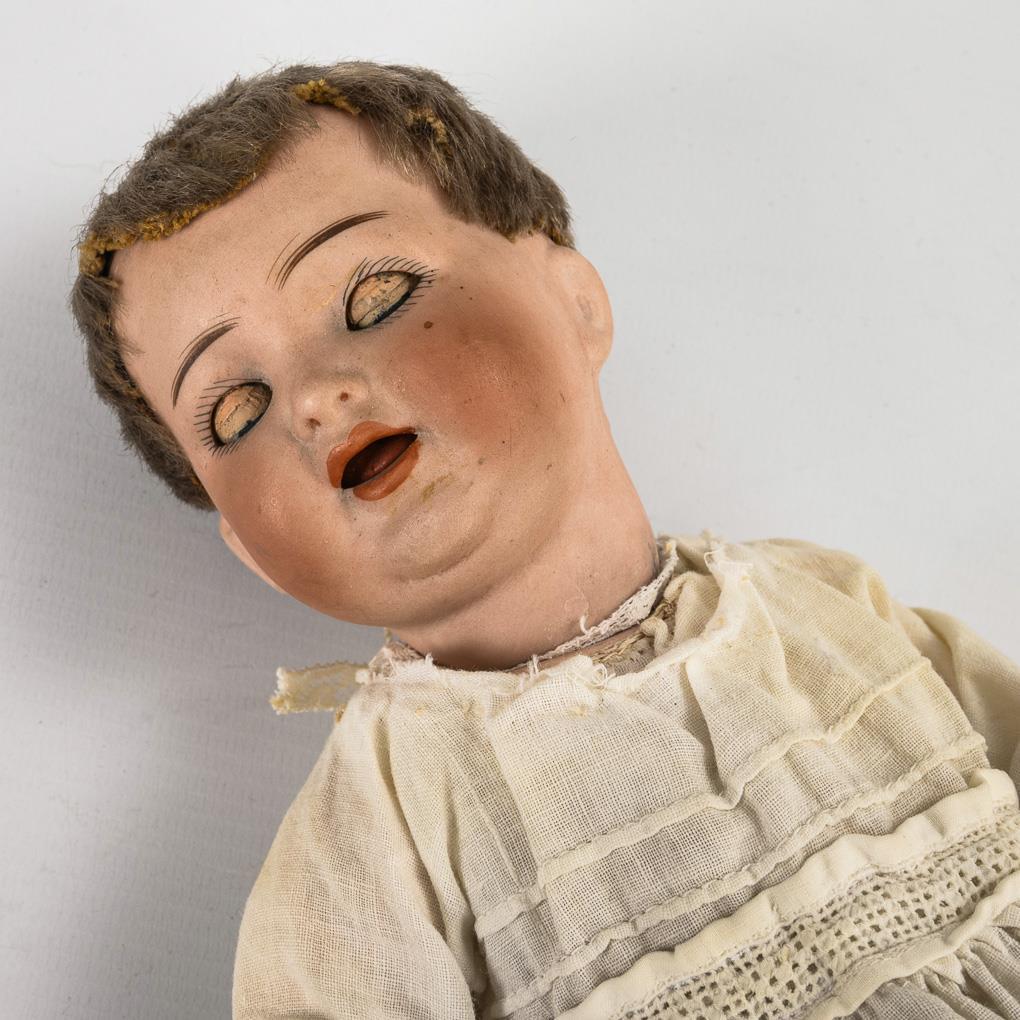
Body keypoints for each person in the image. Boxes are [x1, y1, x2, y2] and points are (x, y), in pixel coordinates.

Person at [70, 61, 1020, 1020]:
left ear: (577, 303)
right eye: (236, 410)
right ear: (247, 549)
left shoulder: (822, 604)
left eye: (376, 296)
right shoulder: (377, 843)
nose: (313, 397)